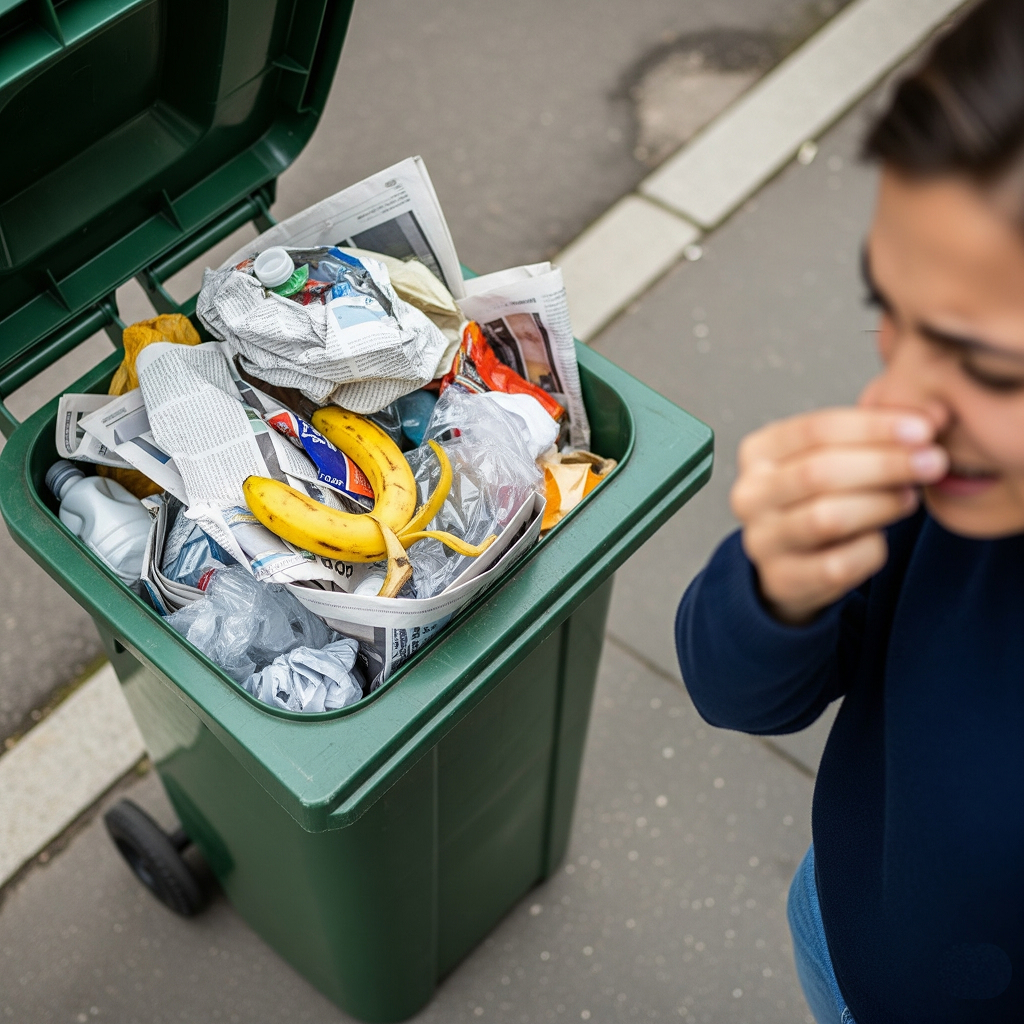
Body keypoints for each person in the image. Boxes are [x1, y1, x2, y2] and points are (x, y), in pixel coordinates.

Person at [674, 1, 1024, 1021]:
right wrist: (772, 591)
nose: (890, 403)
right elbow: (733, 688)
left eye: (988, 363)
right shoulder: (946, 481)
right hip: (843, 930)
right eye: (890, 316)